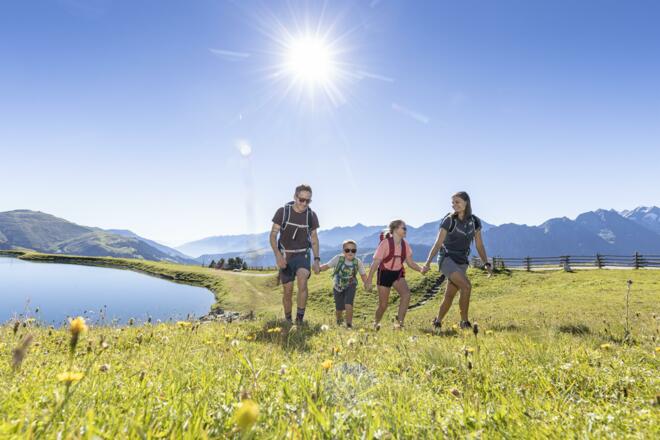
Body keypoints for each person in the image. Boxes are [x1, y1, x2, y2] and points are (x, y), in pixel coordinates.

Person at [423, 191, 493, 330]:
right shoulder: (449, 220)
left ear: (466, 203)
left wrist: (486, 263)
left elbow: (479, 245)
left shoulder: (475, 222)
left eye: (457, 202)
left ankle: (437, 321)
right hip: (447, 259)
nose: (454, 205)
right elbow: (438, 243)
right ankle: (464, 322)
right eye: (453, 202)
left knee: (449, 295)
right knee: (466, 286)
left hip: (462, 261)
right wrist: (427, 262)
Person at [269, 184, 321, 324]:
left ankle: (299, 320)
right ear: (295, 197)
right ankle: (288, 320)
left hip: (303, 254)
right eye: (301, 199)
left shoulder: (311, 216)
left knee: (302, 282)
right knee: (288, 290)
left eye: (308, 201)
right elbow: (273, 236)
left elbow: (314, 239)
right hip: (286, 255)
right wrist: (278, 256)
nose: (304, 203)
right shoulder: (283, 212)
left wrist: (316, 260)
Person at [366, 220, 427, 330]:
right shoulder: (385, 243)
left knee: (406, 295)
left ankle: (399, 324)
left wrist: (420, 269)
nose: (405, 230)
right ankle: (375, 323)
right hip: (384, 274)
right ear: (395, 229)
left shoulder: (405, 245)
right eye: (404, 228)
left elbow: (410, 263)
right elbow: (375, 263)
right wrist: (369, 280)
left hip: (397, 274)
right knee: (383, 305)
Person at [319, 240, 370, 328]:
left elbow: (363, 274)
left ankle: (349, 324)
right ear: (343, 251)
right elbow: (327, 266)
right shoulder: (338, 259)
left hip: (351, 284)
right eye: (347, 250)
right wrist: (319, 268)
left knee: (348, 303)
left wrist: (366, 283)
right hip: (338, 286)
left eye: (353, 250)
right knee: (339, 308)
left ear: (355, 252)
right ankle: (339, 322)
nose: (350, 252)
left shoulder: (357, 262)